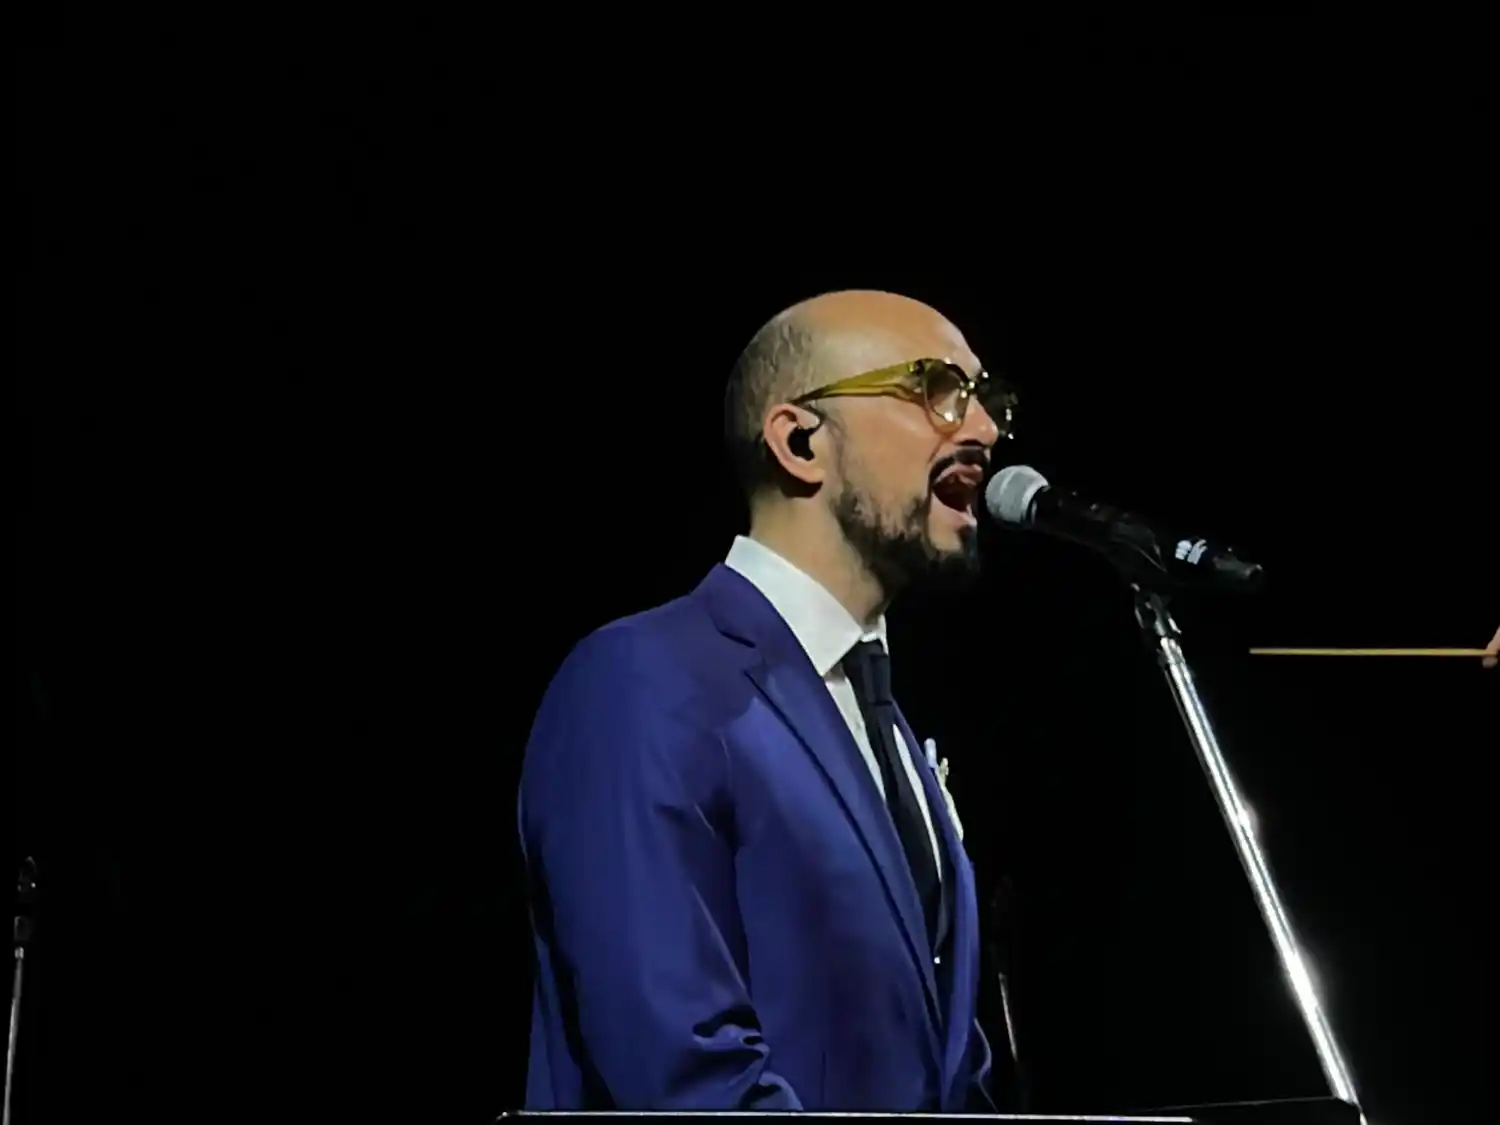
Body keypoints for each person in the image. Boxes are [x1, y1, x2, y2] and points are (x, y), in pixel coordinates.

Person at [518, 290, 1018, 1110]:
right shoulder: (642, 680)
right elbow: (682, 1077)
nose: (983, 432)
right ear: (799, 440)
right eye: (936, 390)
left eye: (988, 400)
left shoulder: (883, 725)